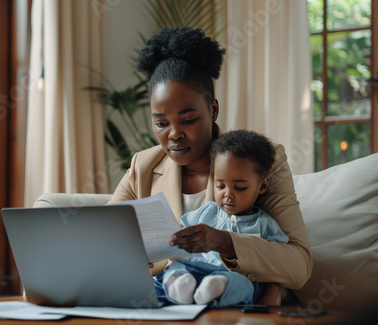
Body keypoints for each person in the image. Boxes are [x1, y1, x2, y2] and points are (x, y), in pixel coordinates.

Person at [107, 26, 312, 301]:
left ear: (213, 110)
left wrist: (226, 243)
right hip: (167, 307)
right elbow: (104, 238)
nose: (174, 134)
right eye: (161, 123)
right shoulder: (143, 167)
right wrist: (125, 260)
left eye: (188, 120)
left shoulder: (261, 160)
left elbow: (299, 266)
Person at [157, 130, 288, 306]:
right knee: (174, 270)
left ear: (262, 185)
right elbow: (179, 240)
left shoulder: (265, 225)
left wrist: (270, 297)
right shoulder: (206, 213)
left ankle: (216, 286)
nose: (228, 195)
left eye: (240, 187)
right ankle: (179, 286)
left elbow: (277, 269)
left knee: (243, 284)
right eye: (220, 186)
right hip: (195, 270)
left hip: (236, 276)